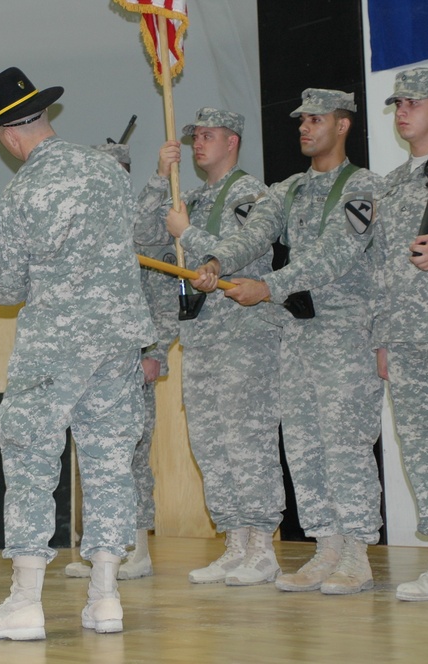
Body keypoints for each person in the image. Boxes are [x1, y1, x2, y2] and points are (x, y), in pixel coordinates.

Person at [0, 67, 155, 640]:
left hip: (57, 342)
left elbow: (5, 292)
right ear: (43, 117)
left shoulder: (20, 193)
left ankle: (25, 602)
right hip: (119, 338)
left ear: (6, 135)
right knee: (109, 462)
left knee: (29, 459)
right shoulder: (108, 172)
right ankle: (105, 597)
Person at [192, 89, 383, 595]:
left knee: (345, 442)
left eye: (315, 119)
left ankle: (358, 555)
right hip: (297, 334)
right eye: (300, 119)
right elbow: (255, 233)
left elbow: (334, 257)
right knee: (303, 445)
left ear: (342, 126)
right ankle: (326, 548)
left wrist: (269, 287)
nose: (303, 127)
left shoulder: (362, 186)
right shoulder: (289, 189)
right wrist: (217, 261)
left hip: (345, 333)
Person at [136, 108, 283, 586]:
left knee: (247, 440)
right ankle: (234, 542)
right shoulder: (189, 198)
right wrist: (161, 180)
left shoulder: (252, 193)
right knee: (212, 443)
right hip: (201, 337)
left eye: (208, 136)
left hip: (244, 334)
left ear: (233, 141)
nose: (198, 144)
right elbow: (144, 240)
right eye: (194, 137)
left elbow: (246, 245)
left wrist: (189, 235)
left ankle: (261, 546)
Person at [64, 145, 179, 583]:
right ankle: (104, 548)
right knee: (95, 459)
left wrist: (154, 353)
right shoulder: (87, 229)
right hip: (91, 364)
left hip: (133, 361)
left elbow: (165, 296)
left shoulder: (142, 226)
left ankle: (139, 549)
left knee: (131, 457)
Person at [371, 67, 428, 603]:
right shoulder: (396, 182)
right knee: (424, 450)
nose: (402, 111)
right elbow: (381, 266)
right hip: (404, 338)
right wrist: (382, 334)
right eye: (398, 103)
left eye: (414, 102)